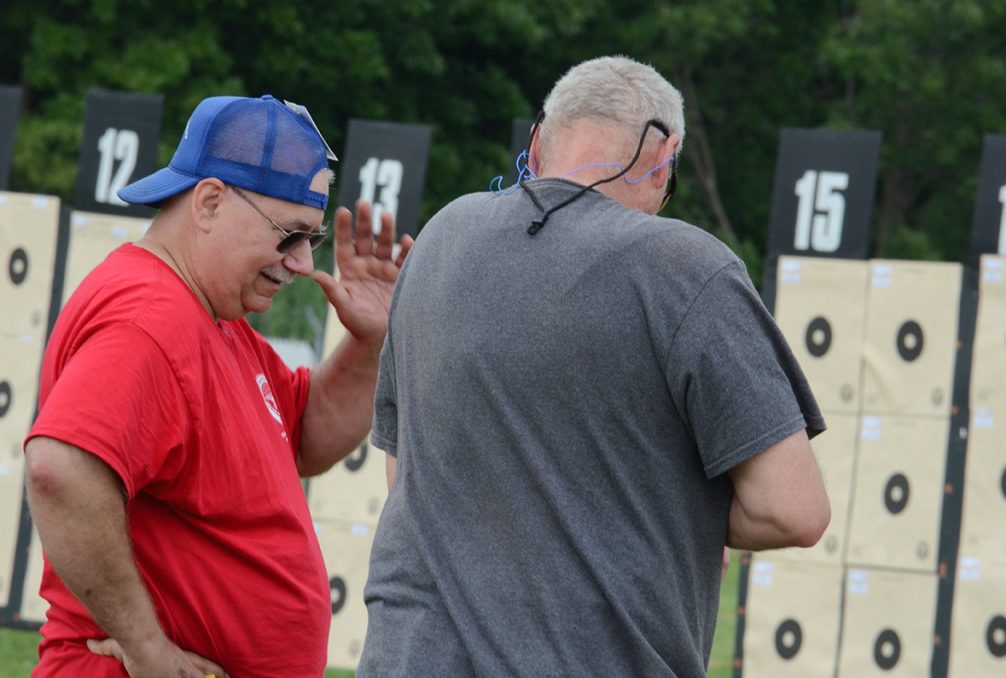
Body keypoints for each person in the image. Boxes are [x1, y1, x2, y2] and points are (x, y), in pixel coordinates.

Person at [358, 56, 830, 677]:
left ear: (538, 141)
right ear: (664, 158)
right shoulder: (688, 268)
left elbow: (408, 474)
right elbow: (794, 508)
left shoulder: (440, 237)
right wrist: (662, 519)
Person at [23, 94, 412, 678]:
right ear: (208, 202)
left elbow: (303, 436)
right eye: (289, 234)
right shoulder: (150, 318)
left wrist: (368, 345)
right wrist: (148, 648)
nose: (304, 263)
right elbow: (60, 469)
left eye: (313, 239)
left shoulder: (208, 314)